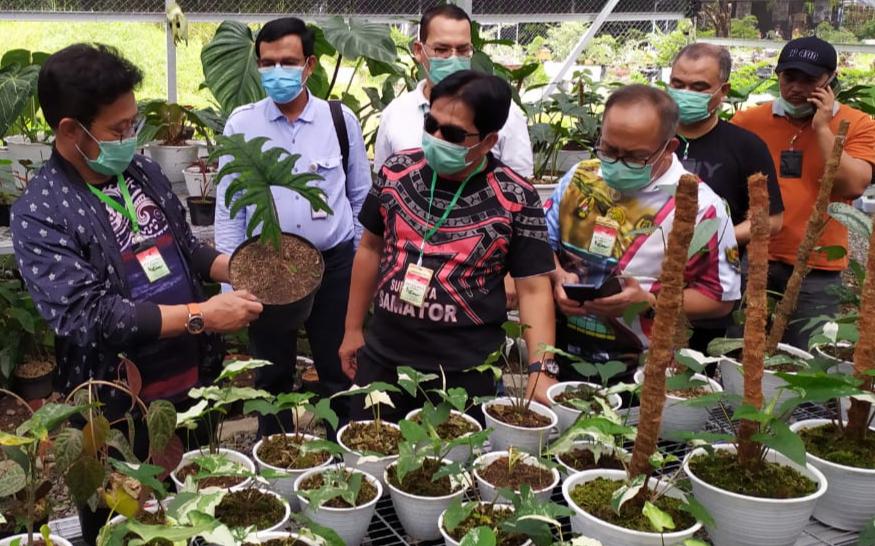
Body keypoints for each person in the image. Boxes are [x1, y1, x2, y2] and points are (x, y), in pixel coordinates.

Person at [10, 44, 262, 411]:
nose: (131, 136)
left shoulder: (143, 172)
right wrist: (201, 315)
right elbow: (92, 315)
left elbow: (185, 247)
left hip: (192, 375)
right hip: (120, 401)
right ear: (70, 130)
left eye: (133, 123)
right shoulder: (40, 212)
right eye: (118, 129)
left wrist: (238, 268)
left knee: (200, 444)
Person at [339, 71, 556, 421]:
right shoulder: (396, 172)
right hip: (384, 359)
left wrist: (541, 369)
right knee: (368, 449)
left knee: (457, 454)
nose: (436, 138)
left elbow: (533, 288)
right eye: (431, 124)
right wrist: (352, 330)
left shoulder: (516, 197)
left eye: (453, 134)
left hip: (465, 371)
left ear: (488, 141)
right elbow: (370, 249)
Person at [215, 17, 372, 436]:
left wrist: (359, 268)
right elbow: (230, 209)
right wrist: (231, 287)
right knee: (271, 375)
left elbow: (360, 197)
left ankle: (344, 451)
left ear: (309, 65)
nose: (277, 71)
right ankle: (275, 453)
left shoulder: (339, 120)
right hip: (265, 266)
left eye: (288, 62)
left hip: (334, 264)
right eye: (268, 63)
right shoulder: (242, 124)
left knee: (340, 368)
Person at [547, 85, 741, 383]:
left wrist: (648, 302)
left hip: (642, 371)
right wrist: (557, 275)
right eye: (609, 150)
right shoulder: (580, 178)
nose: (617, 163)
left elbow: (721, 298)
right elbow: (540, 242)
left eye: (635, 157)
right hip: (558, 358)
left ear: (669, 147)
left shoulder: (701, 206)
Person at [374, 5, 532, 310]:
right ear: (419, 51)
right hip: (405, 279)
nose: (453, 58)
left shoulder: (505, 116)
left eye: (462, 50)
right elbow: (382, 197)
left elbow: (520, 196)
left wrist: (514, 273)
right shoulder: (396, 114)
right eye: (442, 49)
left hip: (474, 283)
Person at [733, 36, 875, 349]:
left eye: (809, 80)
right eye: (789, 77)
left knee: (807, 354)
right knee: (742, 350)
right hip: (756, 256)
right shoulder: (747, 122)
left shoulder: (858, 124)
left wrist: (822, 128)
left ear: (831, 80)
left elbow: (852, 185)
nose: (796, 88)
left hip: (817, 264)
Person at [667, 43, 783, 355]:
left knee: (700, 363)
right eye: (677, 84)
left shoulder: (745, 146)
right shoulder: (649, 137)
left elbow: (772, 220)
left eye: (698, 87)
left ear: (723, 90)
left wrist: (714, 238)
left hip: (712, 284)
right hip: (648, 277)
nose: (685, 93)